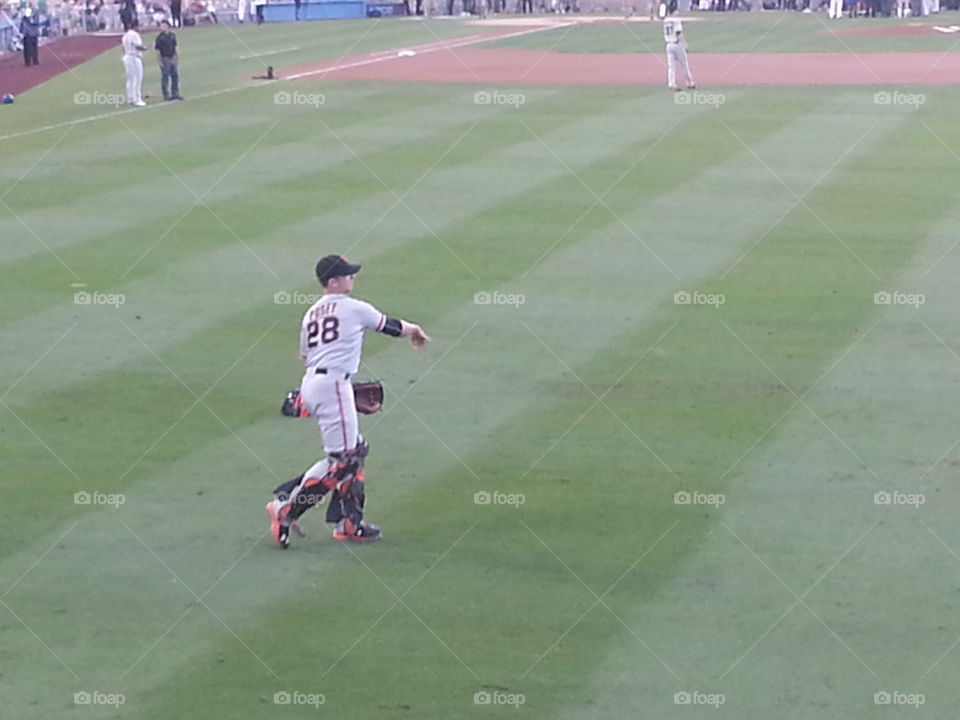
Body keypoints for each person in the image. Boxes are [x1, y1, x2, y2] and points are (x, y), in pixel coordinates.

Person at [265, 255, 431, 548]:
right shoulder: (353, 308)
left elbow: (306, 354)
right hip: (333, 386)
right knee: (343, 461)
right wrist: (415, 330)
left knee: (355, 452)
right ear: (333, 281)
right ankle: (286, 509)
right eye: (347, 275)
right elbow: (390, 326)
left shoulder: (311, 313)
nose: (353, 278)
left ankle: (350, 524)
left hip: (315, 384)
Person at [663, 13, 695, 92]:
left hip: (668, 44)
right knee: (684, 65)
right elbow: (678, 33)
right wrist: (685, 44)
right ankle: (690, 83)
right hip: (677, 44)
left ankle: (672, 84)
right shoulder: (676, 20)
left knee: (671, 66)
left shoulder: (666, 20)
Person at [155, 20, 182, 101]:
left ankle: (175, 93)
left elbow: (175, 46)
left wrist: (177, 56)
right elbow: (158, 51)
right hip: (165, 58)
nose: (162, 27)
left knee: (175, 76)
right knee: (165, 77)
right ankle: (166, 95)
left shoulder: (172, 35)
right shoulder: (159, 38)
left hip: (172, 57)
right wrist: (160, 61)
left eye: (164, 26)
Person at [122, 21, 147, 106]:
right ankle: (137, 99)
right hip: (134, 56)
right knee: (137, 78)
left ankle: (131, 98)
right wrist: (145, 48)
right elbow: (137, 46)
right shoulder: (134, 34)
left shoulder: (126, 35)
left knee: (130, 79)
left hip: (127, 56)